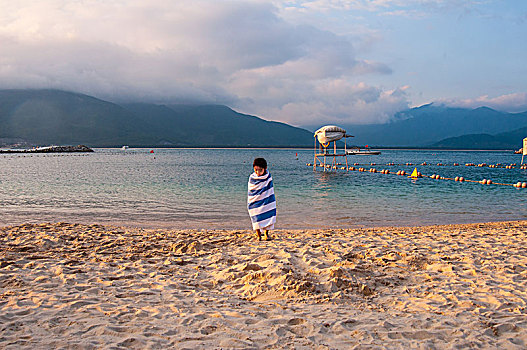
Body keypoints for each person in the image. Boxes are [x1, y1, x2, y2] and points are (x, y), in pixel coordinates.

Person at [247, 157, 276, 241]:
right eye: (256, 170)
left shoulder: (268, 176)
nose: (258, 172)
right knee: (256, 216)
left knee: (268, 214)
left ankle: (266, 234)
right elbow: (251, 190)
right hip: (255, 201)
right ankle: (258, 235)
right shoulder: (252, 178)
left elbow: (269, 189)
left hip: (267, 200)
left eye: (260, 170)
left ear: (265, 168)